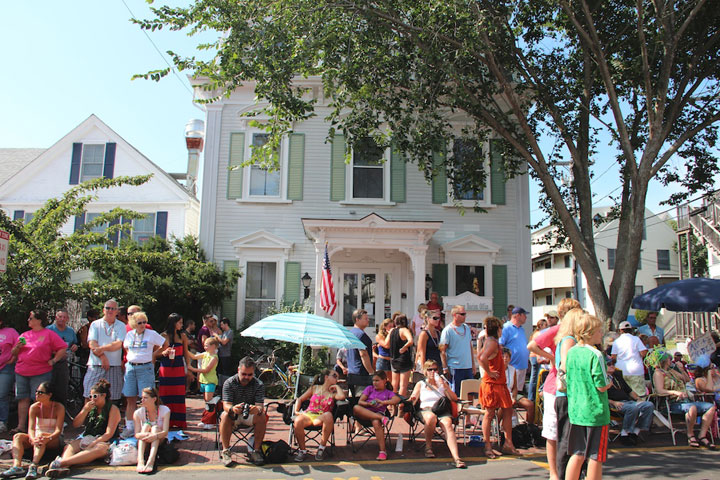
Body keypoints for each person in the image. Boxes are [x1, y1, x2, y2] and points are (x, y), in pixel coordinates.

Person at [526, 298, 581, 480]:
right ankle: (554, 473)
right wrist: (551, 357)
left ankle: (570, 470)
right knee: (553, 432)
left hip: (572, 387)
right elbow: (532, 345)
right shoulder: (557, 331)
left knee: (570, 431)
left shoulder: (578, 333)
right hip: (555, 386)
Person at [565, 313, 612, 480]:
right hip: (595, 412)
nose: (601, 334)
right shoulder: (596, 355)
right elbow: (601, 385)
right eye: (599, 331)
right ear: (590, 332)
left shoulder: (571, 352)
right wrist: (610, 382)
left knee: (577, 453)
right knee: (595, 455)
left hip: (577, 410)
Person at [45, 379, 121, 478]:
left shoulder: (113, 409)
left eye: (95, 396)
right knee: (70, 446)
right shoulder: (90, 408)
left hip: (105, 440)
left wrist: (94, 442)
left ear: (104, 395)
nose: (92, 399)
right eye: (90, 397)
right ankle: (64, 467)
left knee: (99, 449)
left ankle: (61, 463)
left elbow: (109, 433)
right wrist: (85, 410)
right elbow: (76, 424)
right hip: (89, 436)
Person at [12, 310, 66, 434]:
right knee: (22, 398)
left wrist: (53, 360)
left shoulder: (48, 334)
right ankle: (21, 426)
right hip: (22, 371)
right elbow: (13, 354)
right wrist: (17, 347)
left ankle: (38, 427)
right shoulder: (24, 335)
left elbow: (62, 347)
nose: (28, 320)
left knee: (40, 399)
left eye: (31, 318)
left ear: (39, 320)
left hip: (40, 371)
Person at [651, 348, 716, 448]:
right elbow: (660, 390)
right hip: (672, 402)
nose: (671, 361)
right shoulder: (659, 373)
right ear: (663, 360)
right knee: (692, 408)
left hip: (686, 401)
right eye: (669, 359)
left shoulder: (672, 371)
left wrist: (681, 369)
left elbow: (686, 380)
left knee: (711, 407)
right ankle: (690, 435)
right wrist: (675, 392)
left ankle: (702, 435)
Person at [407, 360, 466, 468]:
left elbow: (454, 398)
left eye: (435, 369)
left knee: (448, 423)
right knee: (431, 418)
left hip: (441, 409)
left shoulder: (442, 383)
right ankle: (428, 447)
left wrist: (445, 387)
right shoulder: (421, 384)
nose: (433, 372)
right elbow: (413, 398)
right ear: (425, 371)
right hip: (426, 409)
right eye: (430, 369)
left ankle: (456, 457)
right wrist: (411, 400)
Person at [1, 382, 64, 480]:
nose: (37, 394)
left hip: (53, 439)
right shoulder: (34, 407)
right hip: (38, 438)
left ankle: (33, 466)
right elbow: (31, 428)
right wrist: (32, 438)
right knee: (18, 436)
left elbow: (58, 430)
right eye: (36, 392)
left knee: (41, 436)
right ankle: (17, 466)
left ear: (49, 395)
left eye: (40, 392)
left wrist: (49, 437)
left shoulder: (59, 407)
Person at [121, 312, 167, 439]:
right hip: (131, 367)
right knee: (130, 398)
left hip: (145, 367)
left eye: (144, 322)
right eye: (139, 323)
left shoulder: (151, 334)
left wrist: (154, 354)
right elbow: (126, 348)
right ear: (134, 324)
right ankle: (130, 427)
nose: (142, 325)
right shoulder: (130, 335)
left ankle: (148, 425)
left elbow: (165, 343)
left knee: (146, 399)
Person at [478, 317, 517, 459]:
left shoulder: (491, 342)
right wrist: (489, 372)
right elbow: (482, 358)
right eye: (501, 329)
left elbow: (479, 356)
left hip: (499, 383)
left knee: (508, 410)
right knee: (489, 414)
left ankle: (508, 443)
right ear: (497, 329)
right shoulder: (492, 343)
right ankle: (487, 445)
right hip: (492, 384)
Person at [220, 356, 266, 467]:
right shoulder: (229, 383)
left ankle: (256, 451)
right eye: (244, 374)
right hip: (233, 414)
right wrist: (233, 409)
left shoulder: (258, 384)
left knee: (262, 416)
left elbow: (260, 406)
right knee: (225, 415)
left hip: (249, 414)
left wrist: (257, 409)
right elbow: (226, 405)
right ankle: (226, 451)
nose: (246, 377)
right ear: (238, 370)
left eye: (250, 375)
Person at [555, 307, 584, 480]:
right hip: (568, 396)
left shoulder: (566, 339)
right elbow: (565, 367)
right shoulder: (569, 340)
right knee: (567, 441)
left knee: (568, 440)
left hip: (566, 396)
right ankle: (564, 475)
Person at [292, 369, 346, 462]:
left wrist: (336, 386)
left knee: (329, 415)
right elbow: (300, 399)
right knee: (298, 421)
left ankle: (321, 448)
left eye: (337, 377)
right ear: (326, 377)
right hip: (309, 414)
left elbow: (342, 397)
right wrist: (296, 411)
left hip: (321, 417)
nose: (336, 378)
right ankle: (302, 450)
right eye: (334, 376)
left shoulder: (333, 394)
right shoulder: (314, 388)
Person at [351, 371, 401, 461]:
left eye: (377, 380)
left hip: (378, 413)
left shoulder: (387, 392)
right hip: (365, 412)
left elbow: (397, 399)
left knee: (376, 422)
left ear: (384, 381)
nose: (374, 383)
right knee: (356, 407)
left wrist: (383, 402)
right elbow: (360, 402)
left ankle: (382, 451)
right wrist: (369, 404)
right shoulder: (370, 388)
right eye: (373, 381)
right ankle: (381, 418)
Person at [84, 300, 126, 404]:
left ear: (117, 312)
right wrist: (102, 357)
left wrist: (102, 348)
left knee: (113, 397)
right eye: (108, 308)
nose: (110, 310)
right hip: (96, 364)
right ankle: (89, 419)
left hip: (114, 366)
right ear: (103, 310)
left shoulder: (121, 326)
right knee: (90, 395)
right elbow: (92, 344)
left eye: (113, 308)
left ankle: (109, 420)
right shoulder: (95, 324)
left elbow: (118, 344)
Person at [606, 358, 654, 446]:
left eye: (613, 363)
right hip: (613, 405)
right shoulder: (601, 379)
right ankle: (625, 433)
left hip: (628, 402)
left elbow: (630, 391)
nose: (612, 366)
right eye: (609, 364)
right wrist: (614, 402)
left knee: (648, 405)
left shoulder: (617, 376)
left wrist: (638, 399)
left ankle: (636, 431)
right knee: (632, 408)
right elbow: (601, 397)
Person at [158, 313, 191, 429]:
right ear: (173, 323)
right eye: (180, 322)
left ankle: (179, 421)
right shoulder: (163, 336)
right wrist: (163, 353)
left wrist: (189, 367)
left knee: (179, 394)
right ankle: (166, 421)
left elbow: (186, 353)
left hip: (178, 366)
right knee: (166, 393)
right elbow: (156, 353)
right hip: (166, 367)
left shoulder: (182, 336)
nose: (181, 325)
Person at [439, 305, 475, 395]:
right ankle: (458, 409)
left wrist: (473, 364)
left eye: (465, 314)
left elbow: (469, 346)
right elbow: (442, 351)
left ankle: (468, 409)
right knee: (457, 394)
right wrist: (445, 367)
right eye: (462, 314)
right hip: (455, 367)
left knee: (470, 393)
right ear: (455, 315)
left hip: (468, 367)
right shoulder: (448, 330)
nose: (464, 316)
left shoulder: (466, 327)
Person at [133, 387, 171, 474]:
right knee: (146, 426)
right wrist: (146, 435)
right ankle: (141, 460)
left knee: (155, 428)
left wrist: (154, 436)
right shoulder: (138, 413)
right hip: (145, 440)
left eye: (145, 398)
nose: (142, 400)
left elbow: (165, 432)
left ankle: (151, 460)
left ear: (154, 399)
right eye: (141, 398)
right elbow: (136, 434)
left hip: (159, 439)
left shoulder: (165, 410)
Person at [47, 309, 78, 407]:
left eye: (64, 317)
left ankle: (61, 414)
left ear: (67, 319)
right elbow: (44, 346)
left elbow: (75, 343)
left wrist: (75, 346)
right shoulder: (49, 330)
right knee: (49, 387)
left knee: (62, 389)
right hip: (50, 362)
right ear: (56, 317)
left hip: (64, 362)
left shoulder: (70, 331)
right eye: (60, 317)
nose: (62, 319)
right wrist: (57, 353)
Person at [611, 321, 648, 398]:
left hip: (621, 371)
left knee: (627, 394)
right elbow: (644, 353)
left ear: (620, 330)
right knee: (640, 394)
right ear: (630, 330)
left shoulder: (616, 342)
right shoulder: (636, 339)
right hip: (636, 370)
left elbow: (613, 357)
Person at [499, 307, 529, 395]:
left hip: (522, 366)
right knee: (511, 391)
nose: (526, 318)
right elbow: (500, 345)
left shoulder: (521, 329)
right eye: (524, 315)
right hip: (512, 366)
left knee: (518, 392)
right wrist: (505, 362)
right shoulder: (506, 328)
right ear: (517, 316)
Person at [346, 309, 375, 395]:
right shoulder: (361, 335)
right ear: (357, 320)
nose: (368, 320)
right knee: (362, 400)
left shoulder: (351, 333)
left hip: (351, 372)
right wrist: (371, 372)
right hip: (362, 373)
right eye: (365, 318)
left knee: (353, 400)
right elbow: (363, 354)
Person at [503, 348, 535, 424]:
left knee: (530, 405)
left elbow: (514, 387)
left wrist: (513, 398)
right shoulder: (496, 370)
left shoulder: (512, 369)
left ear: (510, 359)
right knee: (506, 405)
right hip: (501, 396)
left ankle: (528, 427)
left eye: (507, 357)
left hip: (511, 394)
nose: (505, 359)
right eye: (503, 357)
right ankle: (500, 426)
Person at [0, 312, 19, 433]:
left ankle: (2, 421)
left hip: (6, 368)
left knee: (2, 395)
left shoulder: (10, 332)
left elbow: (21, 343)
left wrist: (14, 358)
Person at [389, 314, 414, 400]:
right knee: (403, 385)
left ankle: (392, 404)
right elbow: (411, 340)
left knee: (394, 384)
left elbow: (387, 343)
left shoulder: (392, 331)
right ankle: (400, 405)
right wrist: (404, 347)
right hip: (403, 360)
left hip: (393, 359)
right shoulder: (404, 330)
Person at [188, 337, 220, 402]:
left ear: (213, 346)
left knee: (208, 400)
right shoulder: (205, 354)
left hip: (210, 381)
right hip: (203, 380)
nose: (205, 347)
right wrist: (185, 349)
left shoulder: (214, 357)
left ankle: (217, 402)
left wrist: (193, 369)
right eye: (204, 346)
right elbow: (194, 357)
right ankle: (208, 410)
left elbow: (206, 370)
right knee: (206, 400)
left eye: (206, 346)